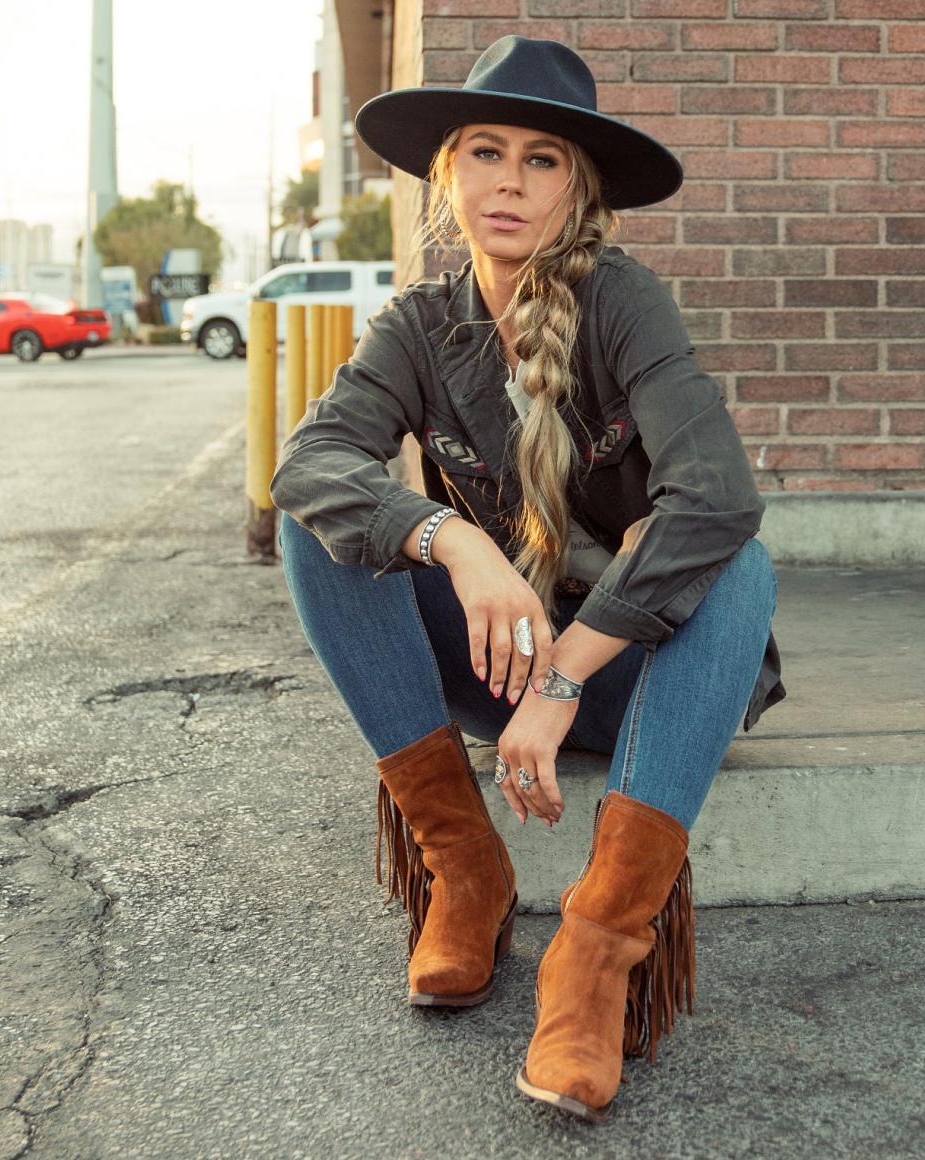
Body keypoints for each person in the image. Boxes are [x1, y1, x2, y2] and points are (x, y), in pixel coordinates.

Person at [270, 35, 786, 1124]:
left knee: (736, 557)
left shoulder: (622, 301)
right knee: (326, 528)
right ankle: (464, 870)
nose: (510, 180)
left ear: (578, 190)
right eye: (487, 152)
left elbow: (717, 497)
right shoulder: (419, 324)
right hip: (501, 663)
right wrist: (444, 540)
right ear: (448, 174)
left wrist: (561, 683)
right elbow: (310, 464)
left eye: (543, 159)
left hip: (638, 678)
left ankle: (595, 951)